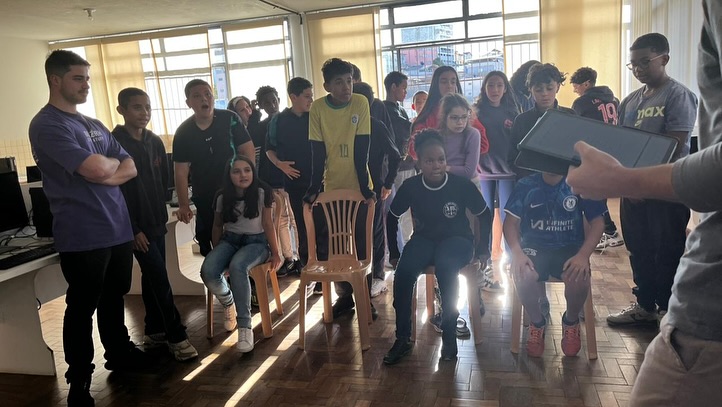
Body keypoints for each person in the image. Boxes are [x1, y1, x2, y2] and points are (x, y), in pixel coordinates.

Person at [28, 49, 143, 406]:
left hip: (117, 228)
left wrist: (104, 172)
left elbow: (129, 165)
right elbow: (96, 168)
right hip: (83, 233)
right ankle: (79, 380)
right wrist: (104, 169)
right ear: (55, 80)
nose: (86, 85)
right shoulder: (48, 124)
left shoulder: (93, 124)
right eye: (78, 78)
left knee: (114, 297)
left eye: (88, 78)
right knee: (81, 308)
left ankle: (118, 354)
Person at [605, 33, 698, 327]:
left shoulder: (678, 95)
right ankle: (644, 305)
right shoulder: (629, 101)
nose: (638, 69)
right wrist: (628, 184)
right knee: (638, 247)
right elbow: (622, 145)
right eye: (633, 64)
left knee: (668, 250)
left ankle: (670, 313)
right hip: (633, 190)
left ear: (664, 59)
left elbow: (674, 144)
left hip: (666, 188)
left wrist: (644, 183)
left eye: (645, 62)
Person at [383, 129, 491, 365]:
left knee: (446, 267)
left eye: (441, 159)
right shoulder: (411, 186)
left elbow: (484, 214)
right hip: (424, 239)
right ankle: (402, 338)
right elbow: (392, 216)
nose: (437, 165)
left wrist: (484, 249)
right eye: (429, 161)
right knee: (403, 274)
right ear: (419, 163)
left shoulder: (461, 185)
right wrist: (395, 254)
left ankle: (449, 337)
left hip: (458, 240)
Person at [111, 87, 198, 362]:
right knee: (160, 278)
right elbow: (115, 192)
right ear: (122, 110)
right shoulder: (114, 144)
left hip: (157, 221)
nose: (144, 113)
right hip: (134, 228)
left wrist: (164, 213)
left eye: (147, 107)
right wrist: (133, 228)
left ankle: (154, 330)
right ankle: (176, 336)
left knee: (153, 278)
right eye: (137, 107)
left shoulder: (154, 141)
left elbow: (162, 182)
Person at [504, 170, 606, 357]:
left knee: (579, 276)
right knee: (522, 273)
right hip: (534, 246)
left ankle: (571, 321)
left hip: (569, 247)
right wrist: (517, 253)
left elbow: (598, 223)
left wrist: (584, 255)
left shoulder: (579, 184)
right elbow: (510, 223)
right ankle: (537, 322)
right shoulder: (526, 185)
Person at [305, 57, 376, 319]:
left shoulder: (360, 102)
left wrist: (365, 188)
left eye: (349, 81)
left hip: (358, 187)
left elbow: (362, 149)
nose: (346, 87)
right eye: (339, 82)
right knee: (332, 246)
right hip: (330, 188)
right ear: (327, 86)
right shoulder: (317, 108)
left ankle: (365, 300)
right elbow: (317, 151)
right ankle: (344, 297)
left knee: (361, 245)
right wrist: (314, 187)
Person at [509, 62, 576, 322]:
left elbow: (579, 155)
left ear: (558, 86)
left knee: (566, 241)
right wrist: (532, 183)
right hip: (532, 195)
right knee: (533, 245)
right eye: (539, 89)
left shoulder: (570, 117)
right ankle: (540, 300)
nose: (545, 93)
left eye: (549, 87)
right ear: (531, 91)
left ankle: (574, 305)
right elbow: (513, 158)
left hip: (566, 192)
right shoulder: (522, 120)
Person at [200, 156, 282, 352]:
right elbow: (217, 226)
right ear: (229, 175)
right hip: (230, 241)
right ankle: (228, 301)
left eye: (247, 170)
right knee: (208, 271)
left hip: (256, 243)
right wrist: (218, 253)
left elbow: (268, 224)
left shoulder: (262, 192)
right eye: (236, 171)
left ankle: (245, 327)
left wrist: (276, 252)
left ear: (253, 172)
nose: (243, 175)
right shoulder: (222, 196)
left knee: (238, 266)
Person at [172, 79, 255, 256]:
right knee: (211, 242)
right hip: (205, 195)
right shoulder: (183, 132)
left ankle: (241, 271)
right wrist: (184, 205)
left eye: (208, 94)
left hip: (235, 190)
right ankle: (217, 270)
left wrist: (250, 183)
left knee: (239, 237)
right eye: (197, 96)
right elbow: (181, 171)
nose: (204, 99)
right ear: (188, 103)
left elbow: (247, 150)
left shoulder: (230, 119)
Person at [353, 82, 402, 298]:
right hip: (349, 186)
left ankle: (378, 276)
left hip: (374, 187)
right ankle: (357, 277)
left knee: (376, 232)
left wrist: (388, 183)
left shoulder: (376, 125)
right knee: (354, 235)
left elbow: (395, 155)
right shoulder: (346, 125)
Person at [569, 67, 624, 250]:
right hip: (613, 152)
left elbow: (576, 128)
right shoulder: (614, 99)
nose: (575, 90)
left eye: (576, 85)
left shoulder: (582, 103)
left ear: (586, 84)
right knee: (600, 193)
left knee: (592, 194)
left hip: (593, 153)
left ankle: (609, 231)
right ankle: (607, 231)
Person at [474, 71, 519, 293]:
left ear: (505, 88)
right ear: (484, 88)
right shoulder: (477, 111)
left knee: (507, 216)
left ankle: (513, 260)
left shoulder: (513, 111)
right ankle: (486, 262)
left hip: (508, 172)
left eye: (499, 85)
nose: (495, 89)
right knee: (485, 216)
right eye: (491, 85)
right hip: (483, 171)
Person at [253, 85, 299, 278]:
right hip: (271, 179)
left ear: (279, 99)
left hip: (292, 176)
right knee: (281, 220)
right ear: (261, 105)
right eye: (266, 103)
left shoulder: (289, 120)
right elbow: (257, 156)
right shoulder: (260, 127)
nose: (272, 105)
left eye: (274, 100)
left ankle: (301, 257)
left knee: (296, 219)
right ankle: (289, 258)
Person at [409, 66, 488, 160]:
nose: (449, 86)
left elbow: (483, 144)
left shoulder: (465, 111)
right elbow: (413, 150)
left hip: (464, 167)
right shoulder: (427, 115)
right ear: (436, 85)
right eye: (444, 82)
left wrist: (458, 155)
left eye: (453, 82)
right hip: (435, 167)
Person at [382, 71, 415, 268]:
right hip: (396, 167)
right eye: (403, 88)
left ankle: (406, 248)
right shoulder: (385, 110)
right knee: (397, 211)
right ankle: (396, 252)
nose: (405, 92)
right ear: (393, 87)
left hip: (408, 164)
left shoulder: (400, 109)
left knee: (409, 211)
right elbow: (405, 131)